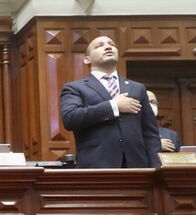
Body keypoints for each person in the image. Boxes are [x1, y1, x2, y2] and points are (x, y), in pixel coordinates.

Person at [59, 36, 162, 169]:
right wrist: (113, 106)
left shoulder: (137, 88)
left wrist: (157, 168)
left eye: (111, 44)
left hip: (137, 167)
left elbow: (150, 134)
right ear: (87, 59)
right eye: (99, 46)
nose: (108, 47)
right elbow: (70, 118)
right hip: (96, 167)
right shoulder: (75, 88)